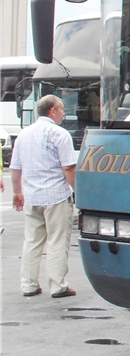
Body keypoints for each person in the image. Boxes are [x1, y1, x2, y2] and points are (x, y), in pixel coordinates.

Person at [10, 95, 78, 298]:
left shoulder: (24, 134)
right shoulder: (60, 134)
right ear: (52, 111)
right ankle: (58, 285)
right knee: (57, 240)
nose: (63, 113)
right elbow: (68, 167)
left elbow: (15, 168)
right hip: (56, 196)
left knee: (32, 241)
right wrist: (78, 190)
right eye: (61, 109)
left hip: (32, 196)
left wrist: (17, 192)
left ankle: (29, 285)